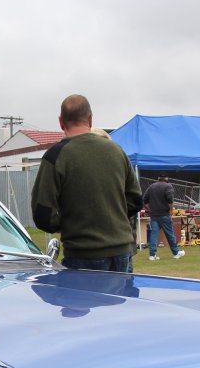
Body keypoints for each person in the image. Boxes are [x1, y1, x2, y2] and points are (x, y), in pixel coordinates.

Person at [31, 94, 143, 272]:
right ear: (90, 119)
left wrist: (72, 222)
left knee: (83, 300)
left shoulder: (55, 156)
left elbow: (43, 215)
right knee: (121, 300)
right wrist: (110, 217)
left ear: (61, 122)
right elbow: (136, 200)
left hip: (82, 254)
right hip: (122, 252)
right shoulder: (116, 150)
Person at [142, 177, 184, 260]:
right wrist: (171, 210)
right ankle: (176, 253)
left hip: (154, 215)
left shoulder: (152, 186)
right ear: (166, 178)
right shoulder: (168, 186)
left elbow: (144, 199)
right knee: (169, 234)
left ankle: (152, 255)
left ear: (158, 178)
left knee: (154, 234)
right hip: (165, 214)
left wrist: (148, 209)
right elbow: (170, 199)